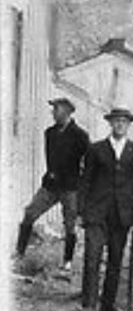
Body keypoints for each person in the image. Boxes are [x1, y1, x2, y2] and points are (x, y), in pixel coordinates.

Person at [77, 106, 133, 311]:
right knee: (92, 256)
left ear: (128, 125)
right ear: (110, 124)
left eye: (124, 122)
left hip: (122, 213)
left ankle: (108, 302)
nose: (120, 125)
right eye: (116, 121)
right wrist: (80, 210)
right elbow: (85, 181)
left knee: (116, 258)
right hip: (96, 211)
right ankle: (88, 304)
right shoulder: (96, 149)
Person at [14, 97, 90, 275]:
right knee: (30, 213)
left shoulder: (80, 135)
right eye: (54, 109)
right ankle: (19, 253)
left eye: (57, 109)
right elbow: (51, 158)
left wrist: (81, 182)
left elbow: (89, 161)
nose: (53, 112)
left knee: (70, 224)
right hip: (51, 184)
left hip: (71, 187)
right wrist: (51, 173)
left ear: (67, 112)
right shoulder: (50, 133)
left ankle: (68, 261)